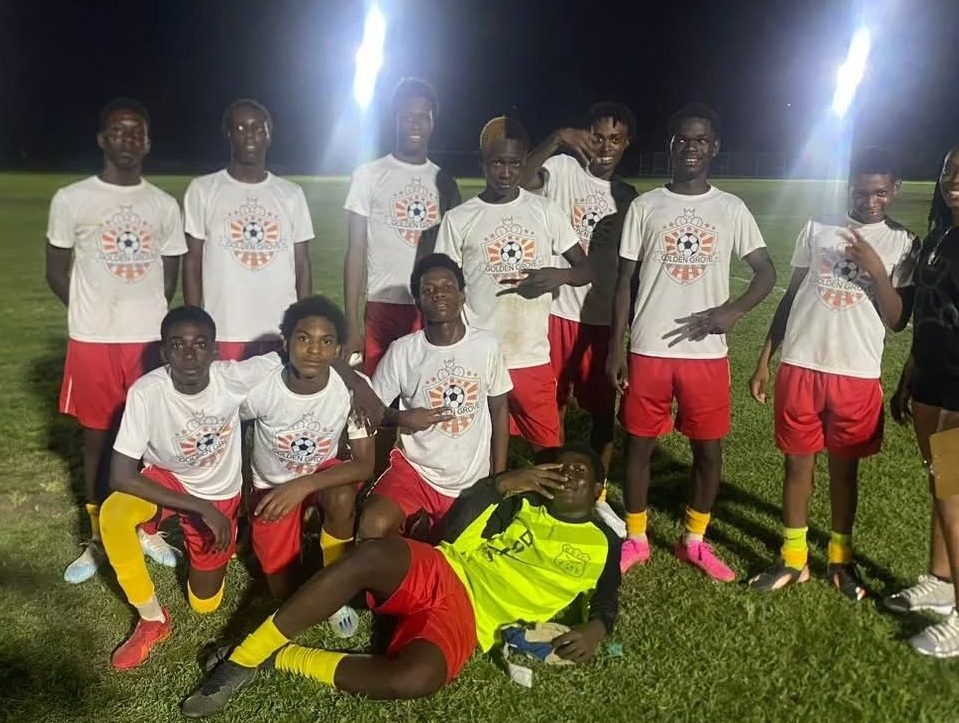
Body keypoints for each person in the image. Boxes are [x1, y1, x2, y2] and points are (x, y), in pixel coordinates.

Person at [180, 445, 621, 717]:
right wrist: (502, 485)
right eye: (559, 468)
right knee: (372, 553)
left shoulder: (602, 542)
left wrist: (597, 628)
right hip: (443, 569)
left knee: (416, 679)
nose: (567, 475)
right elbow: (453, 535)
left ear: (599, 487)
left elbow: (606, 597)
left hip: (470, 621)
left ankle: (281, 656)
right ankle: (244, 657)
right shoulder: (519, 506)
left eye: (579, 472)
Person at [608, 103, 776, 580]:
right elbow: (624, 282)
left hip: (705, 354)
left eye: (700, 140)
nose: (690, 147)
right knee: (638, 448)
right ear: (671, 145)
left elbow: (765, 271)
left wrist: (733, 311)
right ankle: (637, 538)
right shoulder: (646, 206)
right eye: (682, 139)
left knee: (708, 451)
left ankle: (694, 540)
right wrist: (616, 347)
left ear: (714, 147)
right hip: (649, 347)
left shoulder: (730, 208)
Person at [746, 148, 918, 599]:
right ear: (849, 188)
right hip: (801, 363)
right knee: (796, 465)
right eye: (861, 192)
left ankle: (840, 561)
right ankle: (794, 559)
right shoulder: (819, 226)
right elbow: (792, 296)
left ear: (895, 189)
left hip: (856, 371)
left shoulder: (904, 242)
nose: (870, 201)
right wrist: (766, 357)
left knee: (845, 473)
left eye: (880, 193)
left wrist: (876, 269)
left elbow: (898, 319)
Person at [46, 98, 186, 584]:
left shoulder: (163, 205)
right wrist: (91, 312)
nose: (127, 138)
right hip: (94, 341)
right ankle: (97, 536)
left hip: (148, 340)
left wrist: (143, 312)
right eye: (117, 130)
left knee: (150, 437)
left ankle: (145, 527)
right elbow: (56, 271)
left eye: (136, 131)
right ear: (102, 139)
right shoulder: (72, 199)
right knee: (97, 438)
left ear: (147, 142)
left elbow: (169, 275)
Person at [98, 307, 280, 669]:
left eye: (199, 344)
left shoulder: (233, 377)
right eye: (177, 344)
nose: (189, 354)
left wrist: (357, 386)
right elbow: (120, 475)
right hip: (166, 478)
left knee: (204, 604)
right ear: (164, 352)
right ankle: (152, 618)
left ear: (215, 350)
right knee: (114, 513)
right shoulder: (147, 391)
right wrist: (199, 508)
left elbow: (298, 351)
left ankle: (197, 533)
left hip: (218, 493)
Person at [436, 116, 591, 451]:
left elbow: (586, 268)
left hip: (530, 355)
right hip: (479, 356)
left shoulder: (545, 211)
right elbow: (443, 287)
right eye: (497, 163)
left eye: (514, 163)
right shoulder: (459, 219)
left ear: (524, 163)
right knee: (478, 448)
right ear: (482, 162)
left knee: (548, 449)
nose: (506, 172)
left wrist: (560, 276)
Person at [358, 253, 512, 539]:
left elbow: (500, 407)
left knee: (459, 547)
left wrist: (498, 477)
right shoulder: (403, 351)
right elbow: (370, 411)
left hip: (470, 479)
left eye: (448, 287)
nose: (438, 294)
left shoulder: (486, 345)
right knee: (373, 525)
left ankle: (422, 528)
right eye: (428, 290)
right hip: (415, 472)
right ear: (418, 302)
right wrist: (401, 417)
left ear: (462, 296)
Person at [522, 101, 639, 476]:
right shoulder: (562, 168)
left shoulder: (627, 196)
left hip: (601, 317)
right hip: (556, 312)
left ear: (626, 143)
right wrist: (556, 138)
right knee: (551, 404)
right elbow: (521, 179)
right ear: (586, 136)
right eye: (598, 137)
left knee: (602, 410)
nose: (606, 147)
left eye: (615, 139)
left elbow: (630, 269)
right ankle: (554, 484)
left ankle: (598, 489)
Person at [242, 296, 375, 616]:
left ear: (338, 350)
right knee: (283, 591)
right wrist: (244, 492)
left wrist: (303, 485)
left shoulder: (353, 390)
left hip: (319, 479)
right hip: (272, 486)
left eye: (326, 341)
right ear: (286, 343)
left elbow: (364, 465)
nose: (315, 350)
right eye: (304, 338)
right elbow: (230, 431)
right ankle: (295, 527)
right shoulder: (261, 387)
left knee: (342, 495)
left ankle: (335, 583)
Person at [884, 145, 959, 657]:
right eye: (949, 170)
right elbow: (932, 307)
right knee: (941, 484)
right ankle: (941, 580)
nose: (954, 179)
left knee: (955, 497)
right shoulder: (940, 235)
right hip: (930, 376)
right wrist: (912, 366)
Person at [342, 78, 461, 376]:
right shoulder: (369, 174)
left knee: (426, 387)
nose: (415, 124)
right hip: (383, 304)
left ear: (433, 122)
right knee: (377, 391)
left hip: (431, 304)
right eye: (408, 116)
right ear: (395, 119)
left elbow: (456, 253)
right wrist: (352, 324)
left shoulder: (445, 181)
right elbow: (355, 250)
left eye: (423, 117)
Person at [182, 99, 314, 361]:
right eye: (240, 128)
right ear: (229, 135)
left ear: (269, 135)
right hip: (223, 330)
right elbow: (192, 261)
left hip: (278, 332)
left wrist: (300, 324)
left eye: (257, 127)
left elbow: (302, 264)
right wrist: (197, 327)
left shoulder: (291, 194)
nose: (249, 134)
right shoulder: (203, 190)